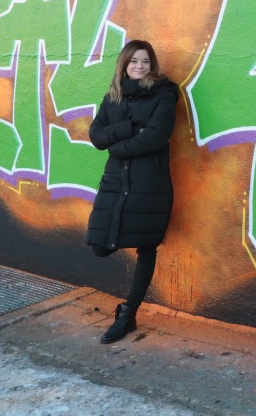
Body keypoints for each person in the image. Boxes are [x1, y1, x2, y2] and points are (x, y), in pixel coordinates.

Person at [86, 39, 179, 344]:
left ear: (152, 65)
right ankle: (128, 313)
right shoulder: (113, 96)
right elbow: (96, 136)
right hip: (115, 182)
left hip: (148, 183)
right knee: (100, 245)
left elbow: (156, 136)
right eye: (134, 61)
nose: (140, 66)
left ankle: (128, 314)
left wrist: (116, 148)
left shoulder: (164, 94)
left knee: (146, 246)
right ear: (124, 65)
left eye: (145, 61)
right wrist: (128, 129)